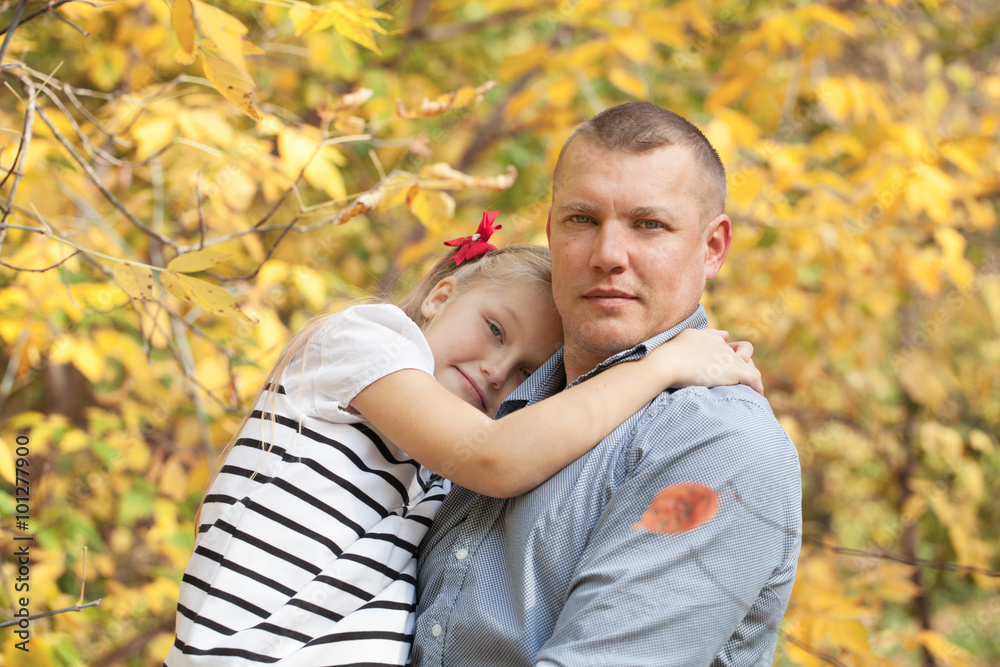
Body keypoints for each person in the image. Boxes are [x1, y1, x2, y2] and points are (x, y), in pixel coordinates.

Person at [164, 211, 763, 666]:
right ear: (442, 295)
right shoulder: (364, 342)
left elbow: (545, 444)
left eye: (528, 371)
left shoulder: (442, 462)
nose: (497, 370)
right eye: (494, 328)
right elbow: (492, 457)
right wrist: (660, 367)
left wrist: (702, 381)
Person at [413, 103, 802, 666]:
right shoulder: (492, 389)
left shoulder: (719, 446)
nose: (608, 256)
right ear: (551, 231)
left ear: (712, 247)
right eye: (582, 220)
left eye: (650, 225)